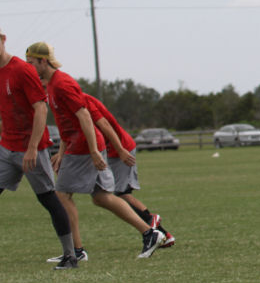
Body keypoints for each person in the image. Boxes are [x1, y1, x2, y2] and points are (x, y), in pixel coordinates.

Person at [25, 42, 166, 259]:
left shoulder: (62, 84)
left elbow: (84, 116)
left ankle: (76, 251)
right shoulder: (52, 85)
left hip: (83, 147)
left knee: (62, 195)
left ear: (43, 61)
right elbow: (66, 124)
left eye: (31, 63)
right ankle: (149, 233)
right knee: (101, 197)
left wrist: (93, 150)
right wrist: (62, 152)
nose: (29, 67)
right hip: (80, 146)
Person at [0, 28, 78, 269]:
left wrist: (32, 148)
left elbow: (41, 108)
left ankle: (70, 256)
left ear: (3, 39)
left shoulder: (22, 70)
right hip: (7, 146)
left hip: (31, 148)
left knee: (48, 199)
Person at [86, 93, 175, 248]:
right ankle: (164, 235)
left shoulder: (79, 99)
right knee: (114, 195)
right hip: (112, 150)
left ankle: (151, 221)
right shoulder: (74, 98)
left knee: (115, 195)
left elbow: (105, 124)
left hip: (119, 149)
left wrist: (120, 150)